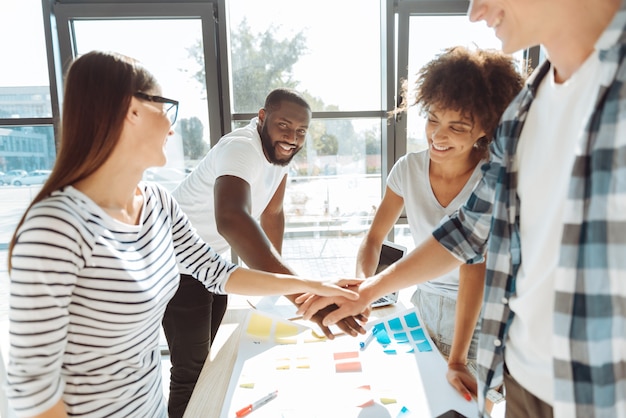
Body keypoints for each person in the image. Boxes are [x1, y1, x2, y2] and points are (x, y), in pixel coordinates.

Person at [298, 1, 626, 417]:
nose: (475, 11)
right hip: (524, 376)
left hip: (599, 390)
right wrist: (368, 291)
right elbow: (469, 232)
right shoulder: (523, 109)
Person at [4, 50, 359, 418]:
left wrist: (314, 289)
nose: (172, 128)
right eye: (165, 108)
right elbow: (34, 390)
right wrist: (302, 289)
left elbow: (220, 273)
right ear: (132, 112)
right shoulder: (55, 227)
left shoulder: (157, 204)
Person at [165, 87, 366, 417]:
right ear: (262, 117)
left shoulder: (279, 157)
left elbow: (271, 213)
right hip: (177, 265)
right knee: (191, 373)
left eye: (301, 131)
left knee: (210, 365)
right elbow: (231, 218)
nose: (292, 137)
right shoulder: (242, 147)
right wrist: (296, 291)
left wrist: (275, 285)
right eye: (284, 125)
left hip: (210, 263)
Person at [354, 45, 523, 397]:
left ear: (485, 129)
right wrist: (363, 289)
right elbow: (373, 240)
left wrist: (458, 357)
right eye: (432, 119)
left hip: (477, 320)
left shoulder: (492, 178)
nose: (438, 135)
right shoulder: (408, 169)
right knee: (421, 400)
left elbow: (473, 265)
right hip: (425, 307)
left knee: (475, 404)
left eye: (456, 127)